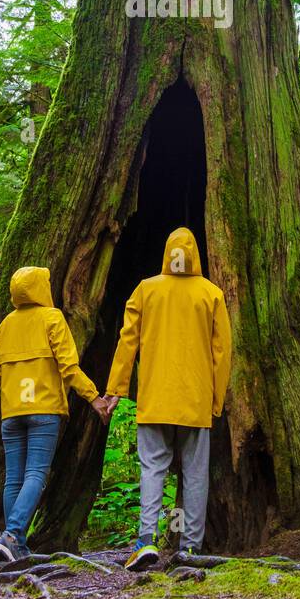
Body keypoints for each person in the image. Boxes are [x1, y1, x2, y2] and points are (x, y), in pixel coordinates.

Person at [103, 226, 232, 570]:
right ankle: (190, 548)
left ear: (166, 252)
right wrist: (216, 401)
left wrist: (116, 389)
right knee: (195, 474)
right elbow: (222, 353)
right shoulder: (211, 294)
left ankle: (146, 540)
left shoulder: (146, 290)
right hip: (195, 402)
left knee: (152, 469)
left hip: (155, 400)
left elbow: (127, 341)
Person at [0, 264, 109, 562]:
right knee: (36, 474)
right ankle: (13, 534)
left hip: (12, 411)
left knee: (13, 478)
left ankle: (16, 545)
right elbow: (69, 367)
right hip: (44, 409)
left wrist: (18, 380)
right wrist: (94, 398)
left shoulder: (6, 325)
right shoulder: (52, 318)